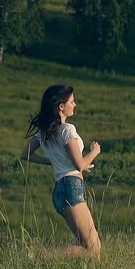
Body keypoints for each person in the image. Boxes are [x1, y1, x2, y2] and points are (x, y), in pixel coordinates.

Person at [20, 85, 102, 259]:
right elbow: (79, 165)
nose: (75, 104)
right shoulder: (67, 130)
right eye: (72, 101)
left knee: (87, 246)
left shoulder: (43, 133)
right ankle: (39, 255)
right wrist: (94, 151)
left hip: (61, 189)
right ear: (61, 107)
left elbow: (25, 155)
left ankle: (52, 264)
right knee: (93, 250)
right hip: (71, 188)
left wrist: (52, 161)